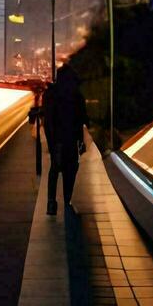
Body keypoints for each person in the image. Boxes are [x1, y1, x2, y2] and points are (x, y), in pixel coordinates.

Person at [41, 64, 88, 216]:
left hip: (58, 139)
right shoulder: (76, 95)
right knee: (70, 169)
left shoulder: (51, 94)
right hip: (70, 138)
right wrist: (81, 140)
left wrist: (51, 142)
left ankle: (51, 203)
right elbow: (81, 119)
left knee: (55, 168)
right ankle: (67, 200)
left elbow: (48, 121)